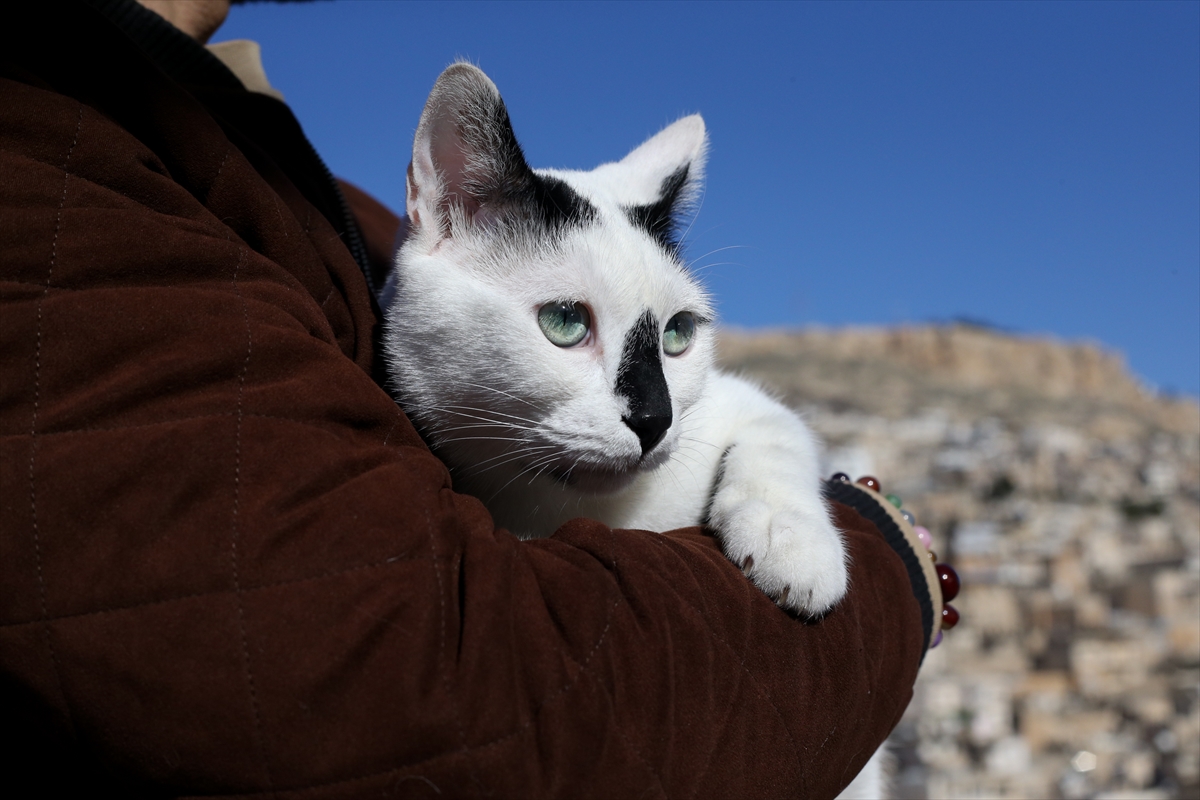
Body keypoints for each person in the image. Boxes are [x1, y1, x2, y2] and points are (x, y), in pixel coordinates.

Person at [0, 1, 938, 796]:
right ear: (446, 201)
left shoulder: (253, 150)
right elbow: (461, 702)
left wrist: (791, 500)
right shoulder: (50, 144)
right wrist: (894, 562)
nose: (650, 412)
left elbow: (746, 414)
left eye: (678, 333)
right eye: (568, 323)